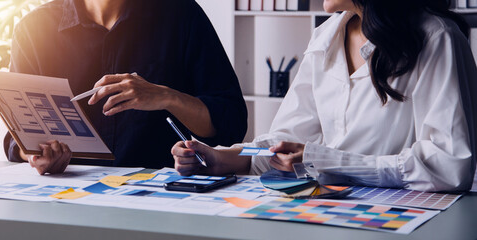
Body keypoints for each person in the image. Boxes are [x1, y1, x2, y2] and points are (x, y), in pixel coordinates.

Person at [172, 0, 477, 192]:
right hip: (331, 211)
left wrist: (330, 162)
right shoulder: (325, 37)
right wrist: (223, 158)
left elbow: (450, 167)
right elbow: (284, 144)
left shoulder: (438, 38)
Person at [4, 0, 247, 174]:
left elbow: (230, 125)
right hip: (66, 193)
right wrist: (38, 157)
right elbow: (17, 139)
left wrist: (167, 97)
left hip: (157, 195)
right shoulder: (33, 29)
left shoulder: (182, 15)